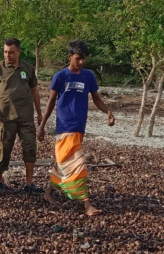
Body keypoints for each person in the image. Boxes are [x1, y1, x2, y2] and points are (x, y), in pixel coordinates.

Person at [37, 40, 115, 216]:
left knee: (64, 163)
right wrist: (41, 125)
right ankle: (86, 203)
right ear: (70, 57)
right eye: (78, 58)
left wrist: (108, 111)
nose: (81, 62)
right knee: (78, 164)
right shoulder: (60, 76)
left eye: (83, 59)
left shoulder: (88, 76)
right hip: (64, 127)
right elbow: (50, 103)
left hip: (79, 127)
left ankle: (48, 193)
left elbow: (96, 98)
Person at [0, 38, 43, 194]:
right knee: (4, 149)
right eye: (5, 52)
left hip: (26, 117)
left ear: (18, 52)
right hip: (7, 118)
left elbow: (35, 91)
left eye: (11, 52)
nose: (7, 55)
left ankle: (29, 183)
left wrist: (39, 113)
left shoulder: (28, 68)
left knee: (30, 147)